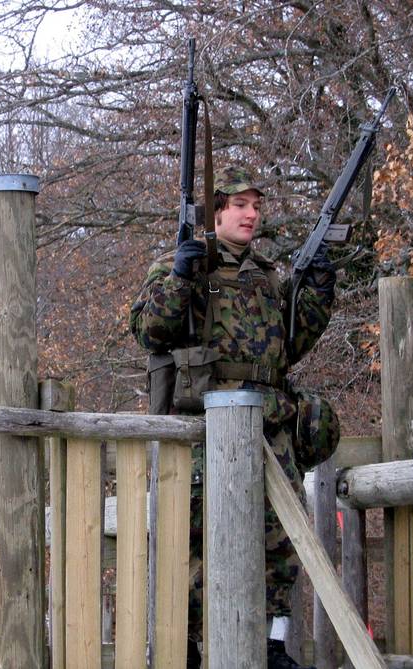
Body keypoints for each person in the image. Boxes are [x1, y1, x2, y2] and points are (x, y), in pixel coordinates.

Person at [130, 164, 339, 669]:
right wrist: (181, 277)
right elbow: (149, 330)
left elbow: (291, 346)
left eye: (257, 205)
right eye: (240, 204)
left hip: (270, 423)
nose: (251, 214)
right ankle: (193, 645)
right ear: (217, 209)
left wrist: (316, 291)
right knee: (198, 544)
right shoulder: (181, 265)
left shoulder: (267, 276)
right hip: (208, 427)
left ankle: (270, 644)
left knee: (281, 544)